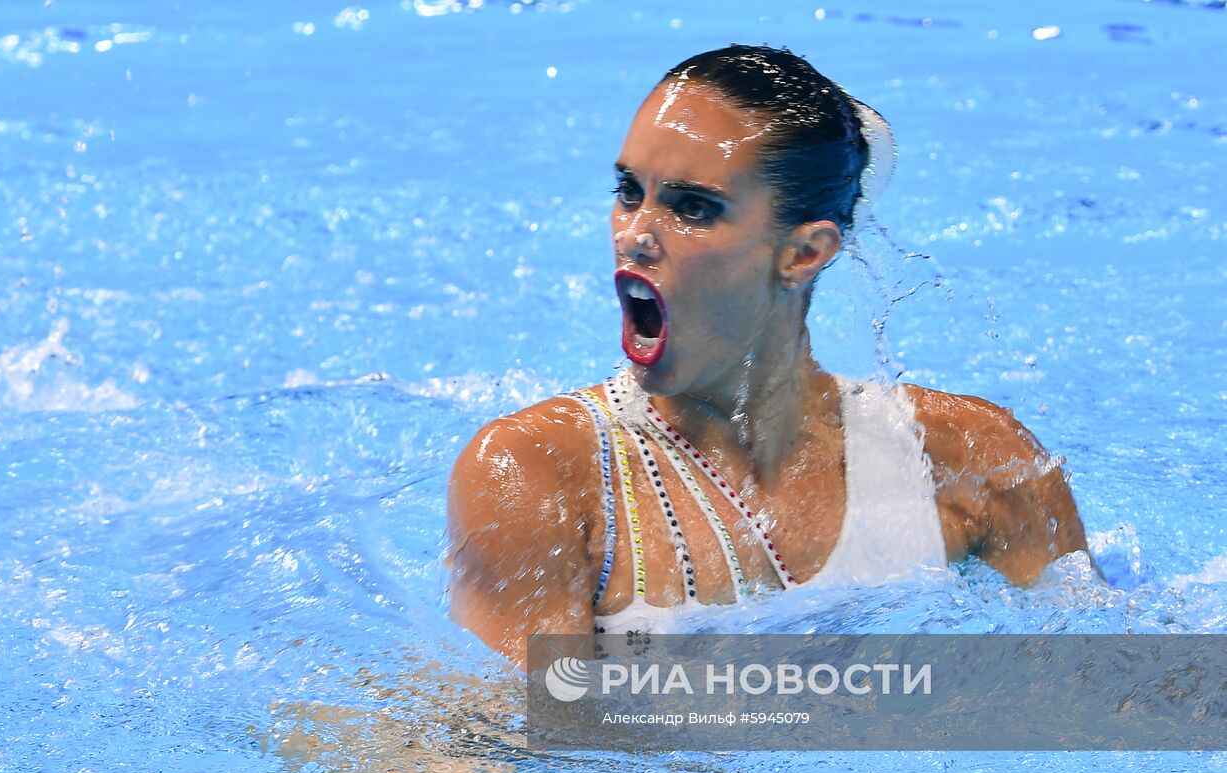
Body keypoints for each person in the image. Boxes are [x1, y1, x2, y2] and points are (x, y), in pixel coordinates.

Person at [446, 45, 1089, 668]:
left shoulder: (972, 460)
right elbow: (503, 754)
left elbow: (1109, 688)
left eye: (692, 207)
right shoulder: (540, 477)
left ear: (804, 253)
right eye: (628, 190)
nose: (634, 234)